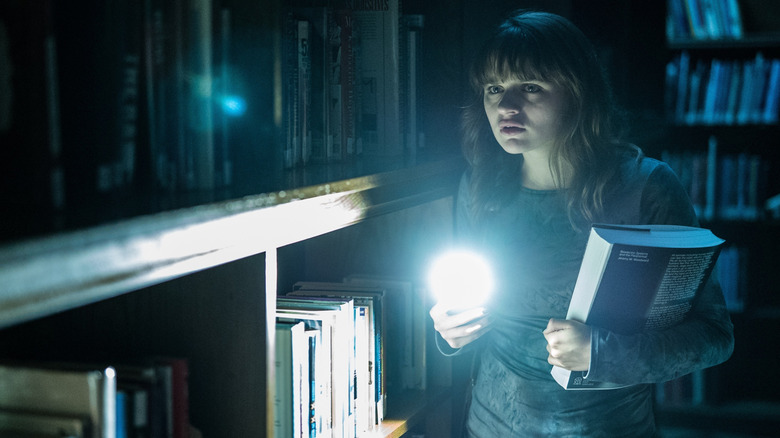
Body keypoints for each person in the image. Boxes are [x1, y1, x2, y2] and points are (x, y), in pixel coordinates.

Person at [429, 9, 734, 437]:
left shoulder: (646, 186)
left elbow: (714, 336)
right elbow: (462, 309)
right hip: (488, 426)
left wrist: (602, 353)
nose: (506, 106)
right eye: (494, 88)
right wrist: (449, 331)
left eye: (530, 87)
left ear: (577, 92)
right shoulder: (480, 186)